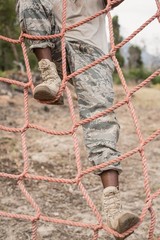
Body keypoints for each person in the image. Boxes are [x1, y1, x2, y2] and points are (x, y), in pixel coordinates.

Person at [16, 0, 140, 239]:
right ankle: (50, 77)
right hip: (55, 47)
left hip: (91, 50)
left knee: (100, 116)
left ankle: (113, 206)